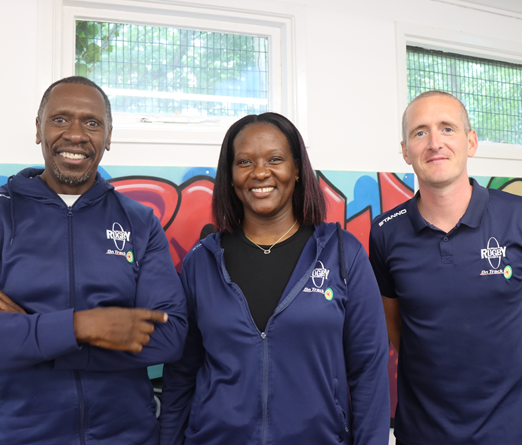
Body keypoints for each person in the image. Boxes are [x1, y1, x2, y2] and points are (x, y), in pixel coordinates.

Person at [0, 76, 188, 445]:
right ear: (39, 129)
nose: (75, 134)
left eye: (92, 122)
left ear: (109, 137)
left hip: (128, 436)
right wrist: (80, 326)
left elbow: (170, 335)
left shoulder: (139, 221)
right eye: (60, 119)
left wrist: (29, 333)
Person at [159, 112, 390, 445]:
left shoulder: (342, 254)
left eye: (275, 159)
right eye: (244, 162)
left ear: (296, 169)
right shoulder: (202, 262)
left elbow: (369, 371)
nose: (260, 173)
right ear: (230, 175)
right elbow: (181, 375)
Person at [369, 90, 522, 445]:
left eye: (447, 129)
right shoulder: (385, 233)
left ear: (471, 142)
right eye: (420, 132)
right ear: (405, 151)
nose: (434, 143)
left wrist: (509, 375)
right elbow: (394, 325)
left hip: (516, 433)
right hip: (424, 434)